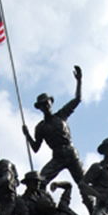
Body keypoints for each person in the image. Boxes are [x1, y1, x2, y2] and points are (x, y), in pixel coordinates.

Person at [22, 66, 87, 194]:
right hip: (57, 157)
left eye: (47, 103)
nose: (45, 106)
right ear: (40, 108)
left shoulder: (61, 115)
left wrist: (79, 80)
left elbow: (77, 99)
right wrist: (27, 135)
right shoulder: (40, 127)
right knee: (39, 181)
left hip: (70, 153)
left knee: (84, 186)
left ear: (51, 103)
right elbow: (35, 148)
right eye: (42, 105)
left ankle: (94, 206)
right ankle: (44, 203)